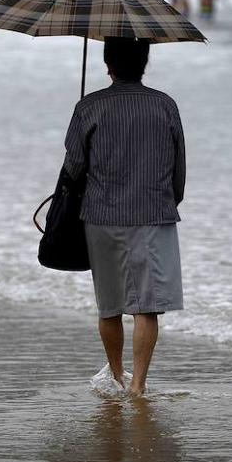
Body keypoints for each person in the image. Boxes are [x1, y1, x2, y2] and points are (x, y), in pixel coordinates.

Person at [61, 37, 186, 397]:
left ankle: (116, 375)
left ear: (108, 65)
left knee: (110, 305)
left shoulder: (89, 106)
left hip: (102, 215)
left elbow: (73, 167)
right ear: (145, 63)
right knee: (147, 308)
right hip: (154, 213)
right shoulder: (165, 105)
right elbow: (178, 167)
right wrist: (170, 199)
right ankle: (138, 384)